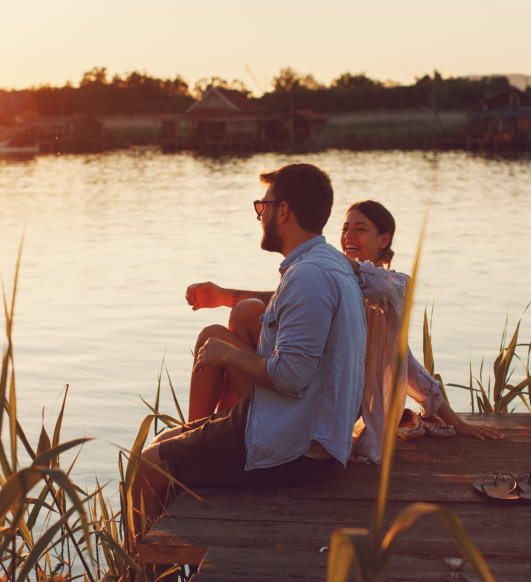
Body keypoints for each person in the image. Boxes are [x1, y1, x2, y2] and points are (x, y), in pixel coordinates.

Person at [131, 163, 366, 533]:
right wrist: (226, 298)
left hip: (295, 449)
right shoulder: (324, 265)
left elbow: (291, 377)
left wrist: (228, 355)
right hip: (299, 429)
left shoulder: (309, 276)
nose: (260, 215)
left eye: (263, 206)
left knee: (146, 469)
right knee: (163, 440)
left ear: (283, 211)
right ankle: (157, 565)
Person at [186, 199, 503, 465]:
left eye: (360, 229)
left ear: (384, 239)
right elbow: (282, 300)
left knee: (212, 336)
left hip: (324, 406)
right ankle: (209, 432)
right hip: (295, 386)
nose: (349, 236)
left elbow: (405, 362)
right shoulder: (327, 278)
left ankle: (197, 440)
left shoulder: (390, 289)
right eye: (345, 228)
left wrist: (456, 422)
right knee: (246, 312)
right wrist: (223, 295)